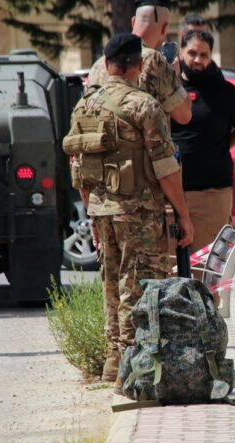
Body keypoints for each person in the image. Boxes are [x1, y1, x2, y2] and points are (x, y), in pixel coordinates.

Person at [64, 33, 194, 392]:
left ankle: (111, 360)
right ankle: (129, 371)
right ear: (138, 66)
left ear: (105, 65)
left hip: (102, 211)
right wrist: (183, 214)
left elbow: (79, 166)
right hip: (139, 214)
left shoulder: (85, 106)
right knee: (137, 289)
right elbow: (166, 167)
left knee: (110, 286)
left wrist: (91, 211)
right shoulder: (144, 105)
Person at [171, 30, 235, 252]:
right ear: (180, 53)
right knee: (167, 270)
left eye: (204, 55)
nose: (198, 60)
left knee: (206, 270)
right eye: (192, 53)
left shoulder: (223, 92)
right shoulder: (168, 90)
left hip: (211, 194)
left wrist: (221, 146)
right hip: (170, 193)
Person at [87, 0, 192, 126]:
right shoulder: (155, 60)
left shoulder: (98, 65)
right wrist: (174, 76)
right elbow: (184, 115)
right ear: (164, 29)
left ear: (133, 22)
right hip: (141, 145)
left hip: (100, 144)